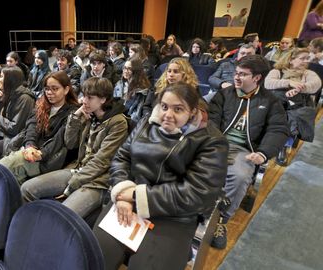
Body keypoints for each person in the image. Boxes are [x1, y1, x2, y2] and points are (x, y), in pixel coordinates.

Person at [93, 82, 228, 270]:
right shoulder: (147, 122)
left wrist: (135, 195)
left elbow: (196, 194)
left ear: (192, 111)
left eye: (178, 109)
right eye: (164, 106)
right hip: (128, 202)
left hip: (173, 216)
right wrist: (122, 192)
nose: (168, 115)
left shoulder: (212, 141)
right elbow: (122, 157)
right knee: (93, 259)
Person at [209, 55, 289, 249]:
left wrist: (263, 153)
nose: (236, 77)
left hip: (244, 150)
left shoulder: (271, 102)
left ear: (257, 78)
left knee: (240, 175)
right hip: (216, 143)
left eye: (243, 74)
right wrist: (213, 143)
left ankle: (220, 220)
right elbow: (211, 120)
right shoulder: (224, 94)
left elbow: (278, 130)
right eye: (236, 73)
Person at [20, 77, 128, 218]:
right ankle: (30, 227)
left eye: (90, 97)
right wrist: (75, 117)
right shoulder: (90, 115)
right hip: (78, 169)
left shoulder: (118, 123)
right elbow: (70, 142)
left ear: (103, 99)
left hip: (98, 181)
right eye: (84, 96)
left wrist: (73, 184)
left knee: (62, 217)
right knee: (27, 189)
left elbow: (102, 161)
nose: (84, 101)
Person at [0, 71, 79, 183]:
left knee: (3, 168)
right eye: (47, 89)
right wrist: (30, 145)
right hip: (31, 151)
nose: (49, 93)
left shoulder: (73, 112)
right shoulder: (42, 105)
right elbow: (31, 127)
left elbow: (59, 141)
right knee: (4, 174)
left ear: (66, 90)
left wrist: (40, 154)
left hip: (48, 159)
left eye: (55, 89)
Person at [264, 48, 321, 165]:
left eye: (307, 59)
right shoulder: (277, 71)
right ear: (291, 59)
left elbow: (315, 85)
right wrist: (288, 83)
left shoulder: (308, 73)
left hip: (298, 105)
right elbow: (268, 83)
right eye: (302, 58)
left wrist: (299, 88)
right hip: (277, 103)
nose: (306, 61)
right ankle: (266, 143)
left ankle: (283, 147)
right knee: (277, 111)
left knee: (294, 116)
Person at [113, 58, 151, 124]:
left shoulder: (143, 90)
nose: (125, 71)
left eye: (129, 69)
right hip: (117, 118)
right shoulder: (119, 84)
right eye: (124, 68)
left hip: (131, 122)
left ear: (136, 71)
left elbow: (137, 114)